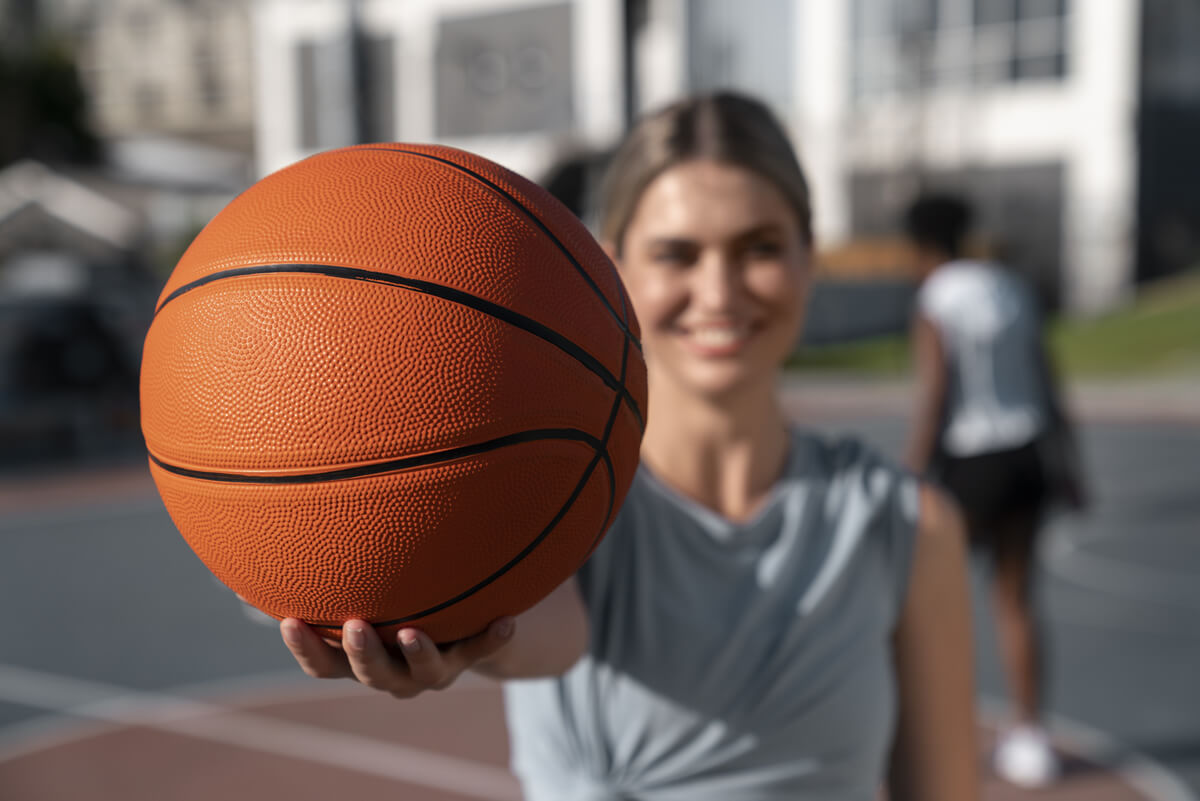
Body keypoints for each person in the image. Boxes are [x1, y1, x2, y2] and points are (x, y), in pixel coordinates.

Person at [280, 92, 979, 801]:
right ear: (611, 269)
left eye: (759, 248)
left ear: (809, 256)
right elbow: (538, 632)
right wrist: (454, 629)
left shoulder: (906, 523)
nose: (719, 292)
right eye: (678, 253)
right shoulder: (551, 489)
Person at [901, 193, 1086, 789]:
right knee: (1017, 599)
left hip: (971, 460)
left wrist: (909, 474)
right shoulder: (1011, 287)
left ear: (922, 247)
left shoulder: (935, 300)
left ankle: (930, 733)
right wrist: (1070, 464)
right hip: (1028, 452)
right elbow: (1047, 378)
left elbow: (936, 393)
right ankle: (1032, 737)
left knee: (929, 604)